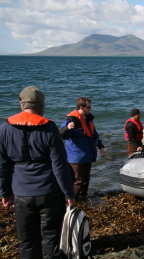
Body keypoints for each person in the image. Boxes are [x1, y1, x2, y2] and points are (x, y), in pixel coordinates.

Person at [0, 86, 75, 259]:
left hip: (21, 193)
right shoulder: (49, 128)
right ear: (41, 104)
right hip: (49, 192)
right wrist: (69, 194)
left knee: (26, 241)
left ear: (22, 103)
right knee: (50, 239)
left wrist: (4, 192)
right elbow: (59, 165)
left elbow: (3, 165)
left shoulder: (5, 128)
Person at [59, 97, 105, 201]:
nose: (90, 109)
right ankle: (72, 200)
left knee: (86, 178)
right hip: (76, 157)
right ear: (81, 107)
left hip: (87, 154)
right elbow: (61, 134)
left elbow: (94, 134)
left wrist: (101, 147)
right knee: (78, 180)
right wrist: (67, 128)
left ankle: (83, 197)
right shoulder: (71, 120)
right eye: (88, 107)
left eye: (90, 107)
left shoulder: (88, 119)